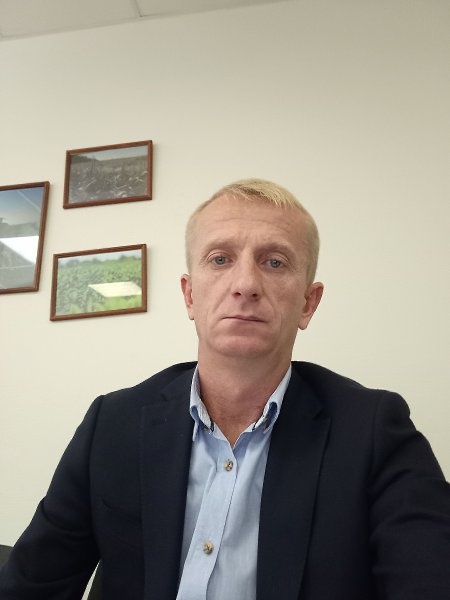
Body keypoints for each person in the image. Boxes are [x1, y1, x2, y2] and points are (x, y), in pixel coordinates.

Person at [1, 179, 449, 599]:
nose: (246, 285)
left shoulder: (373, 431)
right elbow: (30, 585)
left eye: (275, 262)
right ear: (190, 296)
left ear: (307, 304)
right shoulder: (112, 424)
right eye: (220, 259)